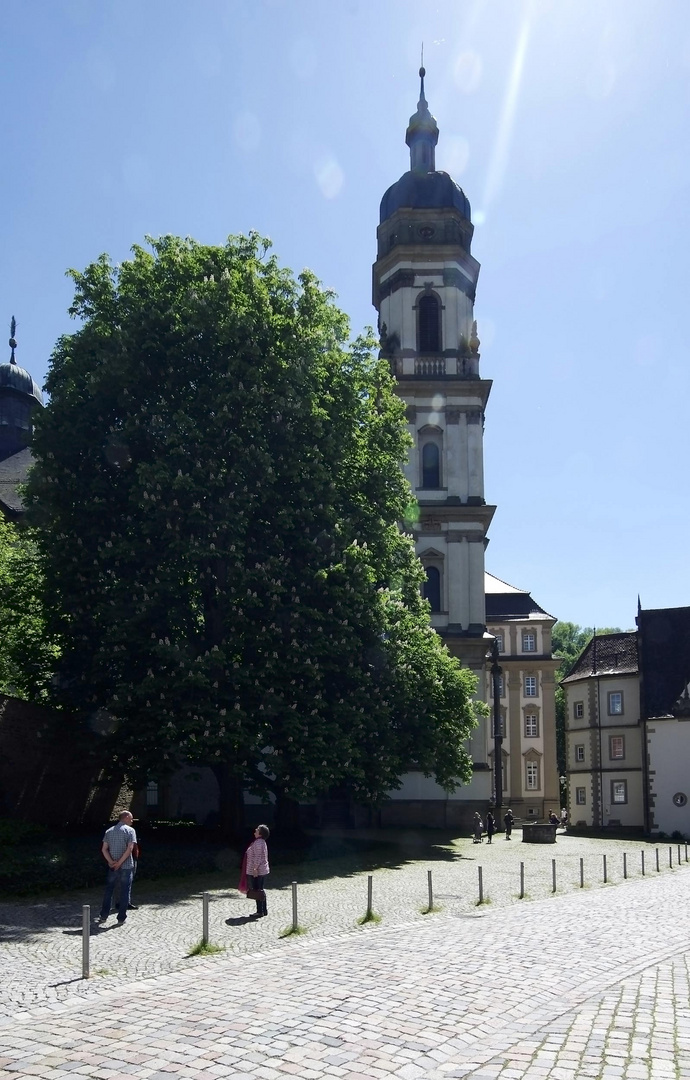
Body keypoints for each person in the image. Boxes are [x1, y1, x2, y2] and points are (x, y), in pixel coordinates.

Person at [98, 811, 137, 925]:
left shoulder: (109, 831)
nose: (132, 820)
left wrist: (111, 862)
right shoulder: (130, 831)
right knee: (125, 891)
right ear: (125, 817)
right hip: (126, 866)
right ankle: (121, 918)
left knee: (109, 890)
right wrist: (120, 863)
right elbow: (130, 849)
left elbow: (104, 849)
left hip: (112, 866)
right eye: (131, 818)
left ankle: (103, 915)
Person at [239, 824, 270, 917]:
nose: (255, 830)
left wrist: (255, 869)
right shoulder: (259, 842)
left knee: (257, 890)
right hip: (260, 870)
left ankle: (259, 911)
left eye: (257, 830)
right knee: (259, 889)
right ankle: (263, 910)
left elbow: (258, 857)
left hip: (258, 870)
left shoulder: (258, 843)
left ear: (260, 833)